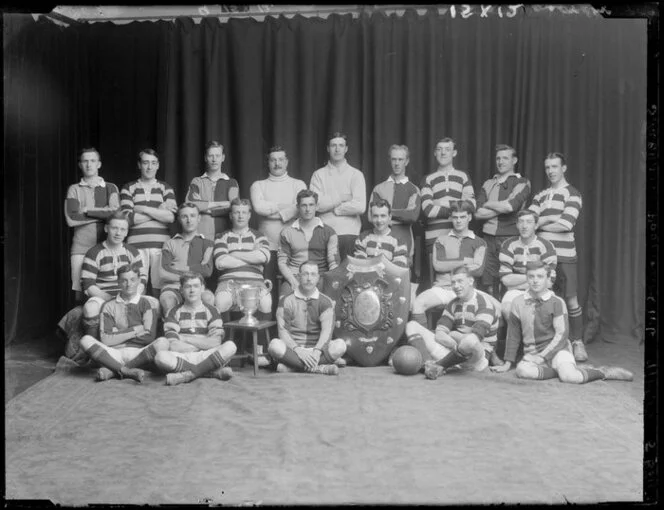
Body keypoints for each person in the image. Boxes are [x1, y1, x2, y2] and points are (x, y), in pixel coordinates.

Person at [490, 261, 633, 383]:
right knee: (521, 371)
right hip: (533, 353)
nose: (535, 280)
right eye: (531, 276)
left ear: (548, 278)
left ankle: (602, 372)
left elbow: (562, 335)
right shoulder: (518, 302)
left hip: (558, 351)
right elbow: (513, 335)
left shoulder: (557, 302)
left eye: (540, 276)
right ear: (526, 279)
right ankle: (558, 370)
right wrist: (508, 363)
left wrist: (541, 357)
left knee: (570, 378)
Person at [529, 152, 587, 361]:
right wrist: (551, 217)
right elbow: (529, 222)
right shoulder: (540, 195)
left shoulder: (573, 194)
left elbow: (566, 224)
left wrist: (543, 221)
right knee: (542, 300)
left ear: (564, 168)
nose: (551, 171)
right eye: (547, 167)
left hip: (565, 255)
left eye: (555, 167)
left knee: (570, 300)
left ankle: (577, 341)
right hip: (542, 256)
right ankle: (547, 345)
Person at [405, 266, 501, 380]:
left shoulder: (484, 304)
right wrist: (455, 346)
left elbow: (475, 339)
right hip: (454, 354)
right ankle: (429, 364)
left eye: (460, 281)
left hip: (476, 358)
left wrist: (454, 335)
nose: (456, 286)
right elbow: (440, 334)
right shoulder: (452, 304)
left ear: (471, 281)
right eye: (453, 282)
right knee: (411, 326)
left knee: (469, 340)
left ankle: (440, 365)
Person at [78, 264, 169, 382]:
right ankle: (127, 371)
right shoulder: (109, 305)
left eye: (132, 280)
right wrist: (136, 329)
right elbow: (105, 339)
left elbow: (149, 337)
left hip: (139, 353)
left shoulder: (147, 304)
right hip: (114, 353)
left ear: (139, 281)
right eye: (124, 280)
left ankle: (115, 370)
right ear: (118, 282)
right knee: (85, 340)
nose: (129, 284)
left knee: (163, 342)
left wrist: (118, 334)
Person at [410, 200, 486, 328]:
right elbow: (438, 265)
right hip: (443, 289)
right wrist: (466, 261)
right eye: (455, 217)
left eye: (462, 217)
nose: (458, 221)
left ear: (470, 217)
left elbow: (478, 270)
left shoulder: (479, 242)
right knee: (418, 303)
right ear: (451, 218)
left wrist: (449, 264)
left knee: (497, 307)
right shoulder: (441, 240)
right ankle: (425, 342)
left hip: (468, 290)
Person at [154, 272, 238, 386]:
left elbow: (215, 342)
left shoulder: (212, 310)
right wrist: (202, 343)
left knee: (230, 346)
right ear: (181, 290)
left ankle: (187, 374)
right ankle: (211, 373)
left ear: (202, 288)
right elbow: (173, 345)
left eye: (196, 286)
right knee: (160, 357)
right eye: (188, 286)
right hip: (184, 356)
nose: (192, 290)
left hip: (206, 355)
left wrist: (184, 338)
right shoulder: (173, 312)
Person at [250, 146, 307, 310]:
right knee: (266, 292)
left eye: (281, 159)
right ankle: (265, 334)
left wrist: (275, 212)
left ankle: (287, 330)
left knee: (291, 290)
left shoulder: (298, 184)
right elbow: (259, 208)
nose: (277, 163)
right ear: (268, 162)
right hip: (267, 247)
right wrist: (287, 208)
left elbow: (300, 209)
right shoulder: (258, 185)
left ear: (287, 161)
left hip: (292, 249)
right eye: (273, 160)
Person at [79, 211, 150, 340]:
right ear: (106, 228)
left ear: (127, 232)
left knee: (154, 304)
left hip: (129, 295)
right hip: (104, 296)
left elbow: (142, 280)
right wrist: (110, 300)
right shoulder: (94, 253)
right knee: (90, 308)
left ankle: (138, 344)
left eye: (123, 229)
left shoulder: (132, 252)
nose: (118, 233)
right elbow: (88, 285)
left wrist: (130, 297)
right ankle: (94, 345)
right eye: (114, 228)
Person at [267, 261, 346, 375]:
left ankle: (292, 367)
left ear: (318, 278)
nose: (309, 278)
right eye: (305, 274)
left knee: (340, 346)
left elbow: (326, 333)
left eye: (313, 274)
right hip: (294, 350)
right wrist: (298, 350)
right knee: (274, 346)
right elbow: (283, 332)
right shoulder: (286, 301)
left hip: (317, 351)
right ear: (298, 277)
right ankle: (320, 368)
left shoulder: (325, 302)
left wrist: (317, 351)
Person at [475, 144, 531, 299]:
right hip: (487, 238)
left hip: (510, 238)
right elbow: (477, 213)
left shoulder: (522, 182)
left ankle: (510, 322)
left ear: (514, 160)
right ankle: (494, 321)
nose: (500, 161)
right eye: (498, 158)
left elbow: (510, 206)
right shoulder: (488, 183)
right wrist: (502, 206)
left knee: (509, 284)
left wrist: (488, 204)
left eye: (505, 158)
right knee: (489, 286)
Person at [64, 147, 120, 300]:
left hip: (108, 247)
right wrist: (102, 214)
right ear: (80, 165)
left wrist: (87, 210)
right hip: (81, 248)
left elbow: (115, 213)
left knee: (108, 291)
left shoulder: (111, 187)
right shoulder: (74, 189)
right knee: (80, 294)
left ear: (99, 164)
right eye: (85, 161)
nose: (89, 164)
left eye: (93, 161)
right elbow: (71, 219)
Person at [120, 149, 177, 295]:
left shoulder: (165, 187)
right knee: (137, 288)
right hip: (135, 246)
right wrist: (159, 210)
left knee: (160, 287)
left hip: (161, 245)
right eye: (145, 163)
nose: (149, 167)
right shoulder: (128, 188)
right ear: (139, 165)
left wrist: (143, 208)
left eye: (153, 163)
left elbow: (170, 217)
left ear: (158, 165)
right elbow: (129, 219)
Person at [369, 144, 421, 299]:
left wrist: (386, 212)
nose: (397, 163)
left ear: (407, 161)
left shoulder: (413, 189)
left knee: (401, 291)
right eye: (394, 159)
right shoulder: (379, 188)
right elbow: (371, 216)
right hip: (380, 242)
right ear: (389, 161)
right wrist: (400, 215)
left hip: (404, 242)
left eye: (400, 159)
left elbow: (412, 216)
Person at [310, 132, 366, 260]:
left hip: (350, 233)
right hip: (325, 233)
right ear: (328, 148)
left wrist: (335, 209)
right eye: (333, 145)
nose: (337, 149)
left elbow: (360, 207)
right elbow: (316, 205)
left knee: (348, 276)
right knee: (327, 276)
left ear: (346, 149)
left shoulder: (356, 175)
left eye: (341, 145)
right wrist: (341, 198)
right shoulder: (318, 175)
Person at [213, 198, 272, 318]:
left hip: (255, 282)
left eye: (244, 212)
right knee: (221, 301)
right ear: (230, 215)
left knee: (266, 303)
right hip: (229, 282)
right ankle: (223, 337)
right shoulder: (221, 237)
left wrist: (233, 254)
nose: (240, 216)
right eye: (236, 212)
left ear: (249, 215)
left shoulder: (259, 236)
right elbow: (221, 262)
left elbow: (263, 257)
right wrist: (252, 256)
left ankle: (260, 337)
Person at [420, 138, 476, 257]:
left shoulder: (463, 176)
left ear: (454, 153)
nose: (443, 153)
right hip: (434, 238)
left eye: (447, 149)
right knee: (437, 274)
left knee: (460, 274)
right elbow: (428, 210)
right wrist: (457, 206)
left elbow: (471, 206)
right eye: (439, 149)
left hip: (460, 237)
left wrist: (439, 203)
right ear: (435, 153)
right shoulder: (428, 179)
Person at [159, 202, 216, 318]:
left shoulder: (207, 243)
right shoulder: (170, 243)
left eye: (192, 216)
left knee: (208, 297)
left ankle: (202, 333)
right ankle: (173, 333)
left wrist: (179, 269)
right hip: (173, 287)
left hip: (196, 286)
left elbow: (207, 271)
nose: (189, 220)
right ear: (179, 219)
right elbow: (163, 273)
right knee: (167, 299)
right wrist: (195, 270)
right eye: (184, 216)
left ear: (199, 218)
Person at [278, 190, 339, 296]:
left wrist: (328, 281)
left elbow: (334, 263)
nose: (307, 209)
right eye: (304, 205)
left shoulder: (329, 232)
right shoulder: (286, 232)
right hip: (295, 276)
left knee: (328, 303)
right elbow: (282, 263)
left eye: (311, 205)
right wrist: (293, 282)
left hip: (320, 276)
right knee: (284, 301)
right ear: (298, 207)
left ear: (317, 206)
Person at [498, 209, 558, 320]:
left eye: (529, 222)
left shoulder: (546, 245)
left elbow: (549, 281)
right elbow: (506, 279)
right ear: (516, 225)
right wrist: (535, 277)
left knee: (548, 309)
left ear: (535, 226)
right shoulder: (508, 244)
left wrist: (517, 281)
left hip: (541, 291)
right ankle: (517, 337)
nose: (524, 226)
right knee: (506, 309)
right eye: (521, 222)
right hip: (515, 291)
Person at [185, 141, 240, 242]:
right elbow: (190, 204)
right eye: (211, 156)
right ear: (206, 158)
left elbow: (234, 206)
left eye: (217, 156)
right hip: (200, 235)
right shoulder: (197, 181)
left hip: (225, 236)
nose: (214, 159)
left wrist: (203, 207)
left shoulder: (231, 182)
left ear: (223, 158)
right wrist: (222, 203)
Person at [355, 199, 408, 268]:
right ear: (371, 217)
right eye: (375, 216)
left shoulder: (399, 240)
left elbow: (399, 265)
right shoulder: (363, 237)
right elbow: (359, 261)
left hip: (388, 277)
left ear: (390, 217)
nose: (379, 220)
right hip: (367, 275)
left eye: (383, 216)